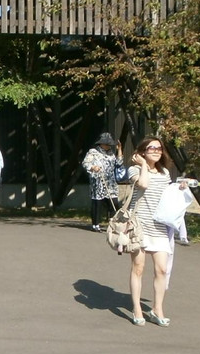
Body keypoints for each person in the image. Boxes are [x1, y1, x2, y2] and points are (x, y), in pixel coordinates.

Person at [124, 137, 189, 327]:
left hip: (159, 226)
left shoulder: (165, 172)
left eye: (159, 148)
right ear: (142, 151)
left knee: (162, 269)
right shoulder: (134, 169)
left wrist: (180, 187)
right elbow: (143, 184)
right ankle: (137, 309)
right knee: (138, 268)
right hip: (139, 225)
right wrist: (143, 164)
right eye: (151, 148)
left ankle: (157, 309)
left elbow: (168, 195)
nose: (156, 151)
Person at [81, 132, 124, 232]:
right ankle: (95, 224)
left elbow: (119, 163)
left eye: (109, 144)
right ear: (101, 143)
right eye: (106, 144)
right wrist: (93, 167)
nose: (108, 146)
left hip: (111, 181)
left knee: (113, 202)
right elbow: (85, 163)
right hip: (98, 181)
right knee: (97, 203)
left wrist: (119, 150)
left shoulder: (111, 153)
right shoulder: (93, 152)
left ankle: (112, 224)